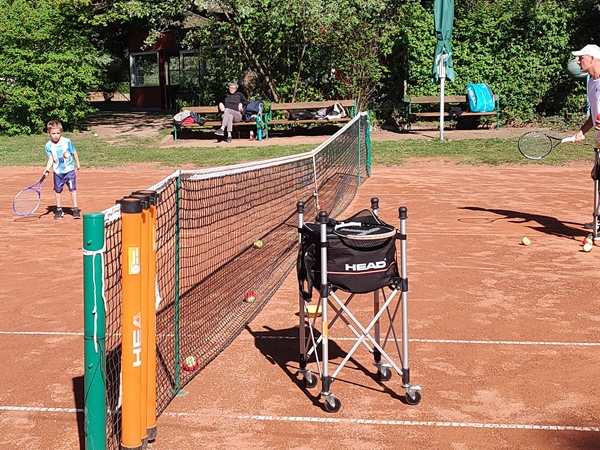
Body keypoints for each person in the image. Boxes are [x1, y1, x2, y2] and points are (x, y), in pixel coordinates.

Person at [572, 44, 600, 231]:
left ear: (592, 59)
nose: (578, 61)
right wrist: (582, 131)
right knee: (597, 177)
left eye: (581, 58)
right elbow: (594, 116)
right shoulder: (591, 82)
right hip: (599, 140)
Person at [43, 120, 81, 219]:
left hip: (69, 170)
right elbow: (51, 159)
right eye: (53, 133)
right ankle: (59, 209)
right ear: (49, 133)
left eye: (58, 133)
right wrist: (47, 170)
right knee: (58, 191)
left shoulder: (67, 141)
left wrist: (77, 163)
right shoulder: (48, 145)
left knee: (72, 189)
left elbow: (74, 151)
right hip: (57, 172)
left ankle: (75, 209)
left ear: (61, 132)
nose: (56, 136)